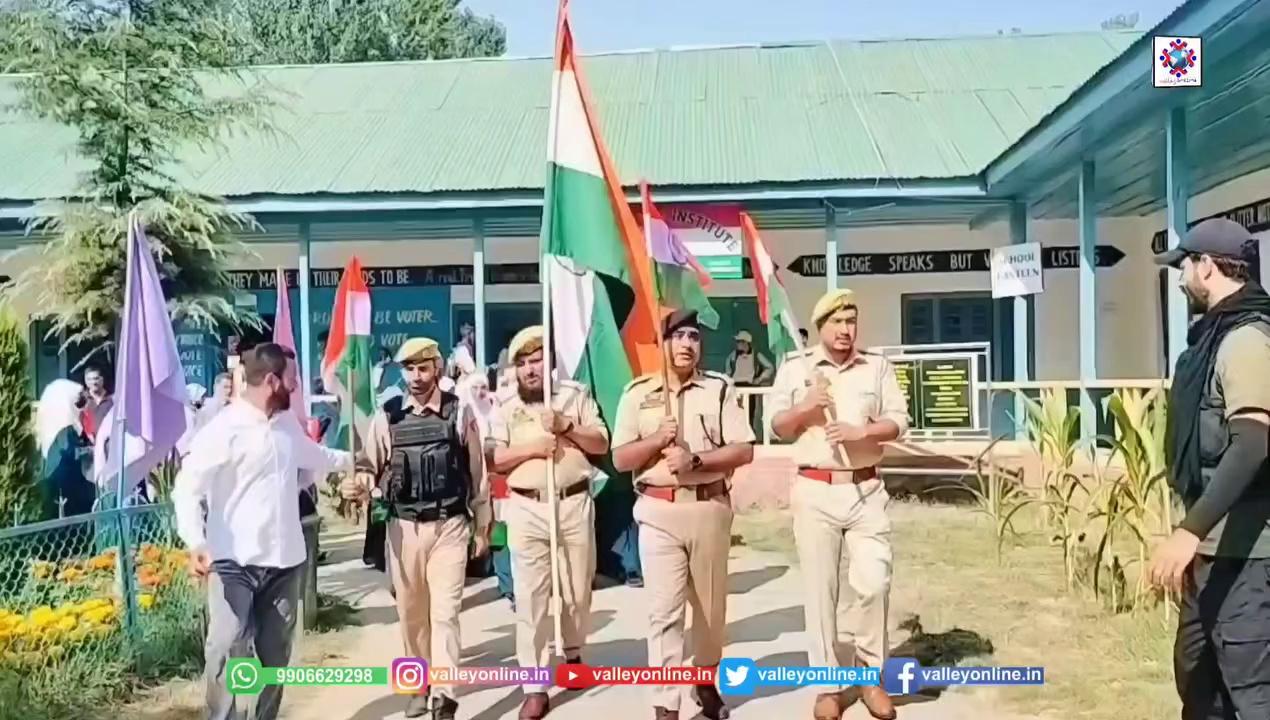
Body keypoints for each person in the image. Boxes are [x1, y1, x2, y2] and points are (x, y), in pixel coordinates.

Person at [173, 343, 352, 720]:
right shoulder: (223, 429)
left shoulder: (286, 425)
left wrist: (355, 460)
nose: (297, 385)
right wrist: (196, 542)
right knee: (226, 646)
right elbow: (187, 488)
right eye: (292, 379)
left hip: (284, 563)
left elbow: (315, 457)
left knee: (275, 655)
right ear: (272, 381)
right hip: (232, 563)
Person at [1145, 219, 1270, 720]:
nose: (1179, 279)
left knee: (1251, 692)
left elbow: (1254, 443)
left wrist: (1187, 532)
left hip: (1249, 556)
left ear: (1208, 267)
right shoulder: (1213, 340)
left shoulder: (1246, 341)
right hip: (1212, 554)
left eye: (1183, 266)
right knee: (1198, 682)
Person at [768, 289, 907, 720]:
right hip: (815, 490)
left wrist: (860, 432)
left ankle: (869, 675)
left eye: (851, 322)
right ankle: (829, 685)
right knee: (820, 591)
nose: (846, 331)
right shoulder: (797, 369)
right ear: (821, 326)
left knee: (874, 582)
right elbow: (775, 426)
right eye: (837, 323)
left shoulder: (876, 367)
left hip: (865, 490)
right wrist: (806, 408)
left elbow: (898, 422)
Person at [612, 310, 756, 720]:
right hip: (658, 511)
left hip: (709, 506)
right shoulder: (638, 393)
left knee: (710, 610)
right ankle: (666, 702)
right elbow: (620, 458)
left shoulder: (719, 389)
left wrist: (695, 458)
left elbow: (743, 449)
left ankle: (705, 680)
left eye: (693, 336)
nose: (687, 344)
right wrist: (657, 439)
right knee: (664, 611)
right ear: (663, 344)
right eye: (678, 336)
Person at [352, 337, 490, 720]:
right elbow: (370, 462)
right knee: (412, 614)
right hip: (403, 528)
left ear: (437, 369)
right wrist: (362, 481)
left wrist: (483, 525)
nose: (415, 377)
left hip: (449, 525)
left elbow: (478, 475)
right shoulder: (389, 415)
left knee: (445, 613)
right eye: (409, 369)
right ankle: (418, 684)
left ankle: (444, 695)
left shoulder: (459, 413)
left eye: (422, 368)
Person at [488, 326, 609, 720]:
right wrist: (532, 448)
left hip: (573, 502)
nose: (529, 370)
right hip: (527, 509)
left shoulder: (575, 396)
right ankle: (535, 685)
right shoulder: (505, 406)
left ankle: (573, 653)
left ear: (550, 362)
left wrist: (566, 427)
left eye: (536, 360)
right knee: (531, 599)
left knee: (577, 591)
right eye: (522, 364)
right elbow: (494, 459)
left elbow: (602, 443)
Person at [36, 379, 95, 519]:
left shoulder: (60, 425)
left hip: (62, 478)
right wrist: (90, 450)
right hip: (67, 480)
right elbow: (70, 452)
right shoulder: (64, 428)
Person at [80, 365, 113, 442]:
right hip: (92, 445)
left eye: (96, 378)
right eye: (89, 379)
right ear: (85, 381)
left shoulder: (112, 398)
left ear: (102, 379)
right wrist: (88, 434)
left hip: (111, 442)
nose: (93, 382)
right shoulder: (83, 401)